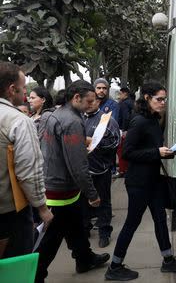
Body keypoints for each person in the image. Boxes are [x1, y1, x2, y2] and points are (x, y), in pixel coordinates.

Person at [105, 81, 176, 281]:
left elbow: (150, 149)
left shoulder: (152, 119)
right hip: (138, 183)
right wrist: (156, 152)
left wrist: (166, 152)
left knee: (160, 220)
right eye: (159, 99)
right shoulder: (139, 121)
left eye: (164, 99)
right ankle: (115, 265)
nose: (162, 103)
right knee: (132, 223)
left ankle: (168, 260)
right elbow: (128, 153)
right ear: (147, 98)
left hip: (153, 180)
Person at [35, 80, 109, 282]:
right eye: (89, 101)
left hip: (58, 185)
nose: (92, 105)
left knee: (75, 226)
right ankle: (36, 274)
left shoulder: (56, 114)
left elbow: (59, 151)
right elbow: (78, 166)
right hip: (61, 190)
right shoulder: (73, 121)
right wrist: (92, 194)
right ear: (77, 98)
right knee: (51, 238)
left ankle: (84, 258)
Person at [0, 62, 53, 259]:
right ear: (12, 89)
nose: (25, 95)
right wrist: (42, 208)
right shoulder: (19, 121)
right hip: (10, 215)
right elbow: (28, 172)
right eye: (23, 88)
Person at [81, 95, 121, 248]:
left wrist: (93, 142)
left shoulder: (107, 120)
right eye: (86, 101)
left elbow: (115, 142)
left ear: (98, 102)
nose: (89, 104)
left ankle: (104, 231)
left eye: (92, 101)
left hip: (101, 169)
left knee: (103, 201)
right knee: (83, 203)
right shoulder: (78, 119)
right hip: (82, 170)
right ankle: (85, 229)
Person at [115, 87, 134, 178]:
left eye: (121, 94)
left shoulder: (124, 104)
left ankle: (123, 171)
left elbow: (126, 117)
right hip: (130, 129)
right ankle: (126, 169)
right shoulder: (131, 102)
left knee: (120, 150)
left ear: (125, 94)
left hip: (124, 130)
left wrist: (124, 130)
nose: (120, 96)